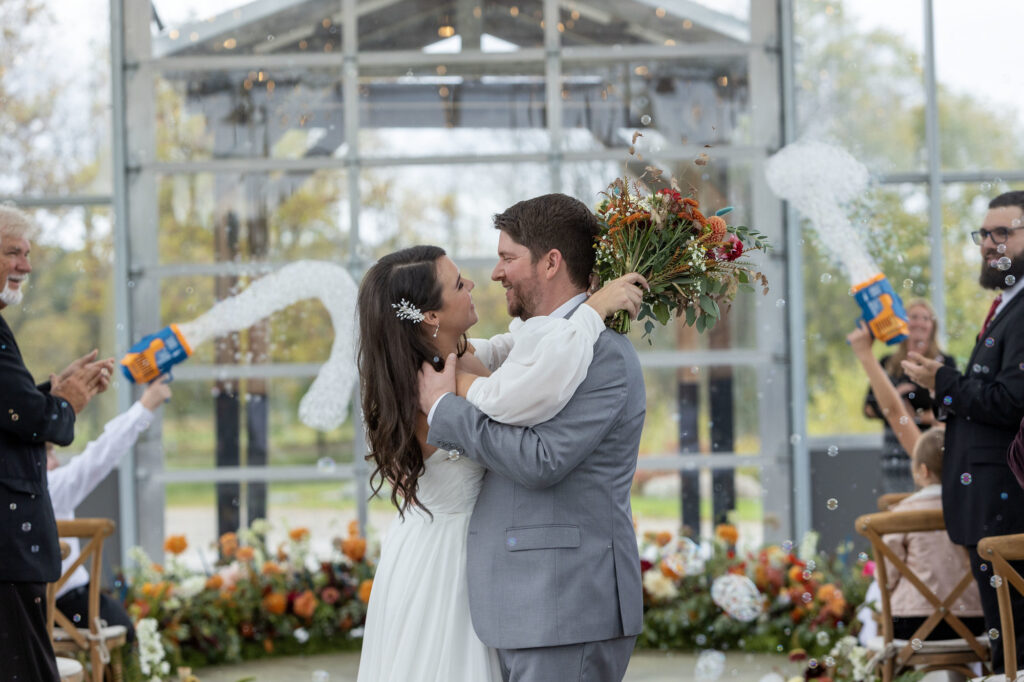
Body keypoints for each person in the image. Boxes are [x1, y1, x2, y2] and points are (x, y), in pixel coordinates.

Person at [355, 242, 646, 682]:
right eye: (457, 284)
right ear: (430, 316)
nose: (473, 282)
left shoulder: (447, 359)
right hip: (447, 562)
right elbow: (523, 398)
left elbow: (526, 349)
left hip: (466, 548)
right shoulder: (433, 386)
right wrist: (589, 314)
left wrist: (578, 304)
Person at [901, 190, 1024, 672]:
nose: (989, 244)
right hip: (989, 502)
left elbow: (1012, 402)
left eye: (1003, 233)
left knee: (1014, 643)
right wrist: (942, 383)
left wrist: (943, 381)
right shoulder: (1006, 305)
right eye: (983, 234)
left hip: (1006, 501)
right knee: (1004, 639)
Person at [0, 205, 114, 682]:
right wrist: (63, 404)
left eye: (27, 254)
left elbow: (13, 408)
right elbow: (27, 420)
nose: (25, 265)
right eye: (12, 253)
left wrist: (51, 393)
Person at [48, 375, 172, 643]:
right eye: (48, 454)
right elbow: (98, 457)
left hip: (24, 609)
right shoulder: (51, 488)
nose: (56, 463)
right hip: (73, 605)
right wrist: (144, 407)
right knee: (126, 635)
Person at [881, 429, 985, 640]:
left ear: (924, 470)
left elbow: (886, 574)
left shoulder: (901, 514)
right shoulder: (973, 510)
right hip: (972, 620)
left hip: (913, 622)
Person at [862, 299, 955, 493]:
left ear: (933, 326)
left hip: (932, 452)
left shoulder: (944, 363)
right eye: (913, 317)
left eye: (925, 318)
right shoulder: (888, 363)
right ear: (903, 322)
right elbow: (868, 409)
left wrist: (919, 417)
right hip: (894, 456)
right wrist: (894, 397)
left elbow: (951, 406)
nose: (919, 322)